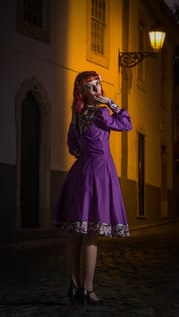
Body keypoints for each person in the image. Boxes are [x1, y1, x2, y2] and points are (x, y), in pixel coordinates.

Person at [52, 70, 132, 305]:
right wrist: (112, 103)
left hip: (81, 172)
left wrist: (86, 155)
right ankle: (87, 290)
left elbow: (71, 144)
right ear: (82, 92)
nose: (98, 89)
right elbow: (126, 124)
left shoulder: (76, 115)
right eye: (92, 87)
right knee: (92, 234)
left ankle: (74, 287)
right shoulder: (101, 112)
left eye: (98, 85)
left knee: (77, 232)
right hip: (99, 172)